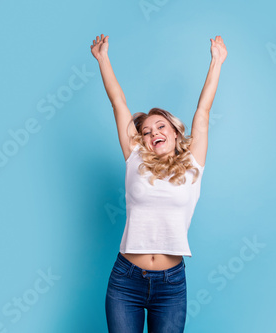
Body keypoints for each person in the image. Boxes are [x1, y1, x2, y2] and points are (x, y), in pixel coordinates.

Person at [91, 33, 227, 332]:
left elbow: (202, 113)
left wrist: (216, 62)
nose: (153, 133)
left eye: (160, 126)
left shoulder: (193, 165)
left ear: (176, 133)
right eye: (147, 131)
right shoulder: (135, 159)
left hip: (171, 285)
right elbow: (118, 103)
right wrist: (103, 60)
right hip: (126, 280)